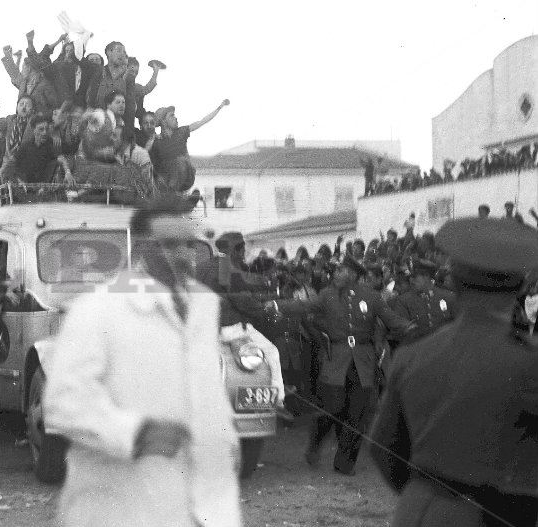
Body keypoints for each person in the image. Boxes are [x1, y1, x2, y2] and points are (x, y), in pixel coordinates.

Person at [43, 196, 241, 527]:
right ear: (139, 250)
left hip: (192, 499)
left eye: (188, 245)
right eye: (168, 245)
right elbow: (63, 402)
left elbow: (207, 392)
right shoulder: (97, 309)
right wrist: (134, 433)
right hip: (116, 501)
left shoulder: (204, 307)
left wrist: (225, 440)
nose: (181, 256)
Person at [371, 218, 538, 527]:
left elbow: (383, 447)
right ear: (521, 287)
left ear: (454, 282)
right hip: (499, 515)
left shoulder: (412, 354)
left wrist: (427, 490)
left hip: (419, 511)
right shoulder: (528, 362)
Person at [265, 256, 413, 475]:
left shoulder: (371, 296)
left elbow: (391, 319)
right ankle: (315, 444)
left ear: (353, 274)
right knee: (332, 409)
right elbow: (303, 305)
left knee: (357, 413)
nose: (335, 274)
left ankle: (344, 463)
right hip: (336, 360)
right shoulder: (327, 295)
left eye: (341, 270)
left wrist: (412, 329)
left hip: (363, 361)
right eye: (335, 270)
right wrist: (278, 304)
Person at [151, 100, 229, 193]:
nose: (176, 118)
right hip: (168, 178)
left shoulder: (182, 132)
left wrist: (220, 107)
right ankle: (165, 194)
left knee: (180, 160)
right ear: (163, 121)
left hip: (186, 176)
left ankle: (173, 192)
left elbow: (203, 121)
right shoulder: (157, 141)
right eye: (171, 116)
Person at [390, 259, 456, 345]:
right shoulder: (404, 301)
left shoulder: (448, 297)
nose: (411, 281)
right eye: (410, 277)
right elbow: (401, 329)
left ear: (426, 276)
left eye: (415, 277)